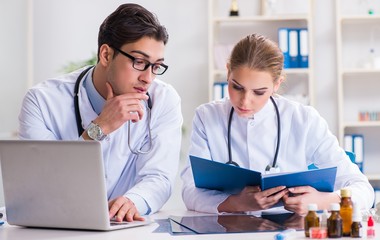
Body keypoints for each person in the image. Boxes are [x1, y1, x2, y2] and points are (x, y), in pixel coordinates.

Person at [18, 3, 183, 222]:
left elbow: (159, 177)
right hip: (57, 226)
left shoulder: (163, 100)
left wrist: (135, 200)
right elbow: (41, 184)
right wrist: (99, 128)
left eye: (155, 66)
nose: (148, 78)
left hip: (127, 228)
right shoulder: (42, 101)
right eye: (139, 62)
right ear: (106, 55)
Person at [181, 33, 374, 215]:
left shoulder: (303, 119)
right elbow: (190, 191)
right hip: (227, 230)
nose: (245, 101)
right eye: (237, 87)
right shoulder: (207, 117)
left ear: (277, 84)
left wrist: (322, 201)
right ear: (227, 71)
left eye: (259, 92)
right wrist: (236, 203)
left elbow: (363, 189)